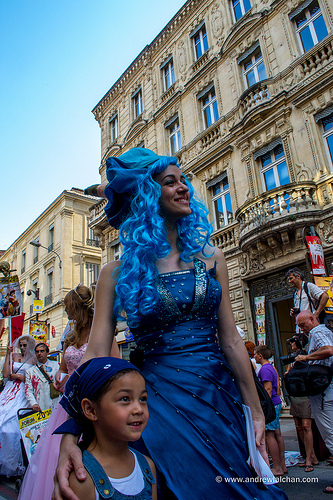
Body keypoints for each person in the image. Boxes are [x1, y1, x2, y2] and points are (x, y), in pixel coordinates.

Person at [54, 148, 287, 499]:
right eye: (170, 182)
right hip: (158, 407)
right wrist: (70, 432)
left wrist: (255, 412)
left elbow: (233, 341)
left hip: (219, 400)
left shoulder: (212, 257)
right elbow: (96, 354)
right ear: (148, 194)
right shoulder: (116, 273)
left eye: (184, 181)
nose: (184, 188)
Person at [18, 284, 119, 500]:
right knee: (57, 454)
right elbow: (63, 369)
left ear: (75, 306)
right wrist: (59, 379)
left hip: (93, 402)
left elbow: (116, 366)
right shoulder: (71, 338)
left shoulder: (102, 333)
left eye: (66, 306)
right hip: (67, 405)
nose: (64, 310)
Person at [55, 356, 157, 500]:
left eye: (143, 399)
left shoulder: (148, 466)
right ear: (90, 410)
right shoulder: (82, 479)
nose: (138, 409)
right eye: (125, 399)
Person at [296, 311, 333, 493]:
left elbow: (328, 350)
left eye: (303, 324)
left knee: (330, 434)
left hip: (324, 393)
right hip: (326, 391)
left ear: (312, 319)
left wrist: (306, 358)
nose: (301, 328)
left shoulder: (318, 332)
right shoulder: (323, 331)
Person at [0, 334, 36, 476]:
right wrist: (8, 354)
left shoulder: (34, 359)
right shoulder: (13, 356)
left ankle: (13, 462)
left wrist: (21, 377)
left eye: (24, 345)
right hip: (10, 390)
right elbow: (6, 374)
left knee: (12, 428)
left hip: (23, 392)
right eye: (20, 345)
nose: (22, 348)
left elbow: (35, 378)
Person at [285, 335, 318, 472]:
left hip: (305, 395)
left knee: (306, 426)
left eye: (293, 341)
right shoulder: (292, 358)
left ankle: (309, 459)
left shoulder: (307, 355)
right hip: (295, 394)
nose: (292, 344)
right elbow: (287, 373)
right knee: (299, 426)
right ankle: (312, 455)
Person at [254, 345, 287, 477]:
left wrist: (263, 407)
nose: (254, 356)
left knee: (269, 435)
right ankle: (282, 465)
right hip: (275, 402)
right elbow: (277, 388)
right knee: (277, 433)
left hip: (271, 403)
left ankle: (277, 467)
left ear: (260, 356)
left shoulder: (265, 369)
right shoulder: (271, 367)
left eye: (255, 354)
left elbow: (267, 389)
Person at [25, 342, 60, 412]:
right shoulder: (30, 372)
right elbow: (28, 390)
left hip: (56, 404)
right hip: (40, 406)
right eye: (37, 352)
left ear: (47, 352)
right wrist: (33, 403)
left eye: (42, 351)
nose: (39, 353)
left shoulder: (57, 366)